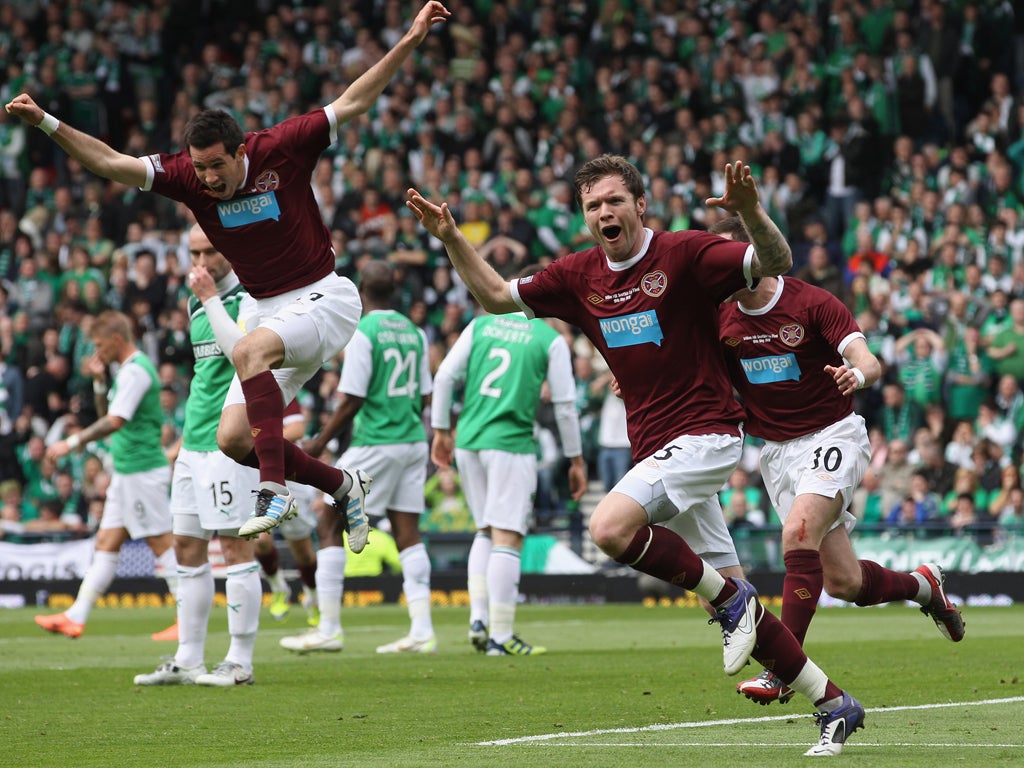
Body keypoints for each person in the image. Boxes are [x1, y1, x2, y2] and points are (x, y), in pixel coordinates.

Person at [407, 157, 864, 755]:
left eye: (614, 201)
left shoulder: (686, 255)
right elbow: (495, 295)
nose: (604, 213)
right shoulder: (578, 275)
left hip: (706, 435)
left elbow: (775, 263)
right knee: (732, 595)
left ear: (640, 205)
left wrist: (749, 210)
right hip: (657, 446)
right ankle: (833, 702)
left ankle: (733, 604)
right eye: (593, 205)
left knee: (609, 526)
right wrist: (452, 241)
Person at [4, 1, 452, 547]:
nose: (209, 178)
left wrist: (409, 39)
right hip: (269, 311)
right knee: (232, 438)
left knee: (246, 353)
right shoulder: (186, 178)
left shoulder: (282, 147)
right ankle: (341, 483)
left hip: (325, 298)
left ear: (242, 152)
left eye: (218, 165)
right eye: (201, 168)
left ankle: (274, 491)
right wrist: (46, 122)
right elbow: (110, 163)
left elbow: (354, 100)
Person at [710, 215, 965, 706]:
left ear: (753, 256)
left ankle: (783, 666)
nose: (717, 270)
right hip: (778, 454)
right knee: (846, 583)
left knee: (797, 532)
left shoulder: (810, 301)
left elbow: (868, 359)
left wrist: (857, 376)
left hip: (833, 434)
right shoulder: (719, 320)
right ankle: (923, 586)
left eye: (725, 258)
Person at [431, 265, 587, 656]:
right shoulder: (549, 339)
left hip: (468, 440)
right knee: (508, 535)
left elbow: (445, 377)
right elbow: (566, 408)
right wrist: (575, 458)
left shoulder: (481, 326)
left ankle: (478, 619)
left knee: (485, 530)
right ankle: (501, 636)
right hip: (511, 443)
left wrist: (441, 431)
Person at [132, 223, 264, 686]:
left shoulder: (250, 298)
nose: (201, 262)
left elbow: (243, 356)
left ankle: (240, 661)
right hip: (192, 443)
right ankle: (189, 659)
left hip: (230, 442)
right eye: (194, 253)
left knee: (234, 546)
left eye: (209, 251)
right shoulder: (194, 300)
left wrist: (209, 296)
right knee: (187, 548)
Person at [282, 261, 436, 654]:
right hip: (413, 441)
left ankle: (329, 628)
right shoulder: (416, 333)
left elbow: (353, 398)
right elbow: (423, 396)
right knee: (408, 533)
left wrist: (320, 442)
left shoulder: (364, 332)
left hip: (376, 440)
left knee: (329, 523)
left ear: (362, 291)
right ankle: (422, 631)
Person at [37, 311, 177, 639]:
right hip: (127, 470)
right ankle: (76, 615)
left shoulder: (136, 373)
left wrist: (70, 442)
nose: (97, 352)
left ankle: (188, 617)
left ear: (116, 340)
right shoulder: (126, 372)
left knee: (160, 543)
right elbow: (109, 416)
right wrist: (100, 381)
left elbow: (113, 423)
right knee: (106, 542)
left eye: (100, 345)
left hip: (141, 471)